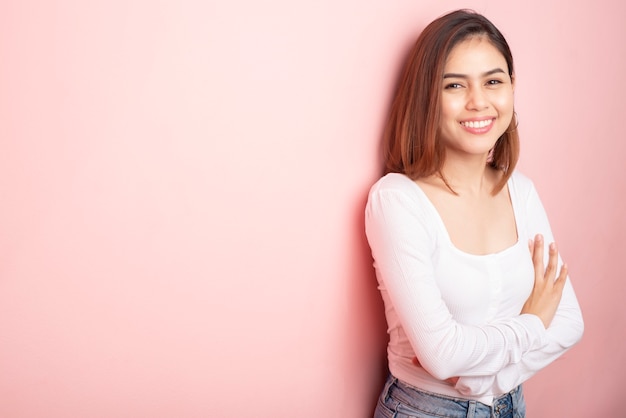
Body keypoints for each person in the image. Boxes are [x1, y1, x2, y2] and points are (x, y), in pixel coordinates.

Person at [365, 9, 584, 418]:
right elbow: (443, 355)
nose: (478, 102)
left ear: (512, 88)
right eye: (454, 85)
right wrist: (534, 321)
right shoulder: (397, 200)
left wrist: (487, 382)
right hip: (424, 409)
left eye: (493, 81)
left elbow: (571, 321)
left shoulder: (520, 190)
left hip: (511, 404)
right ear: (426, 95)